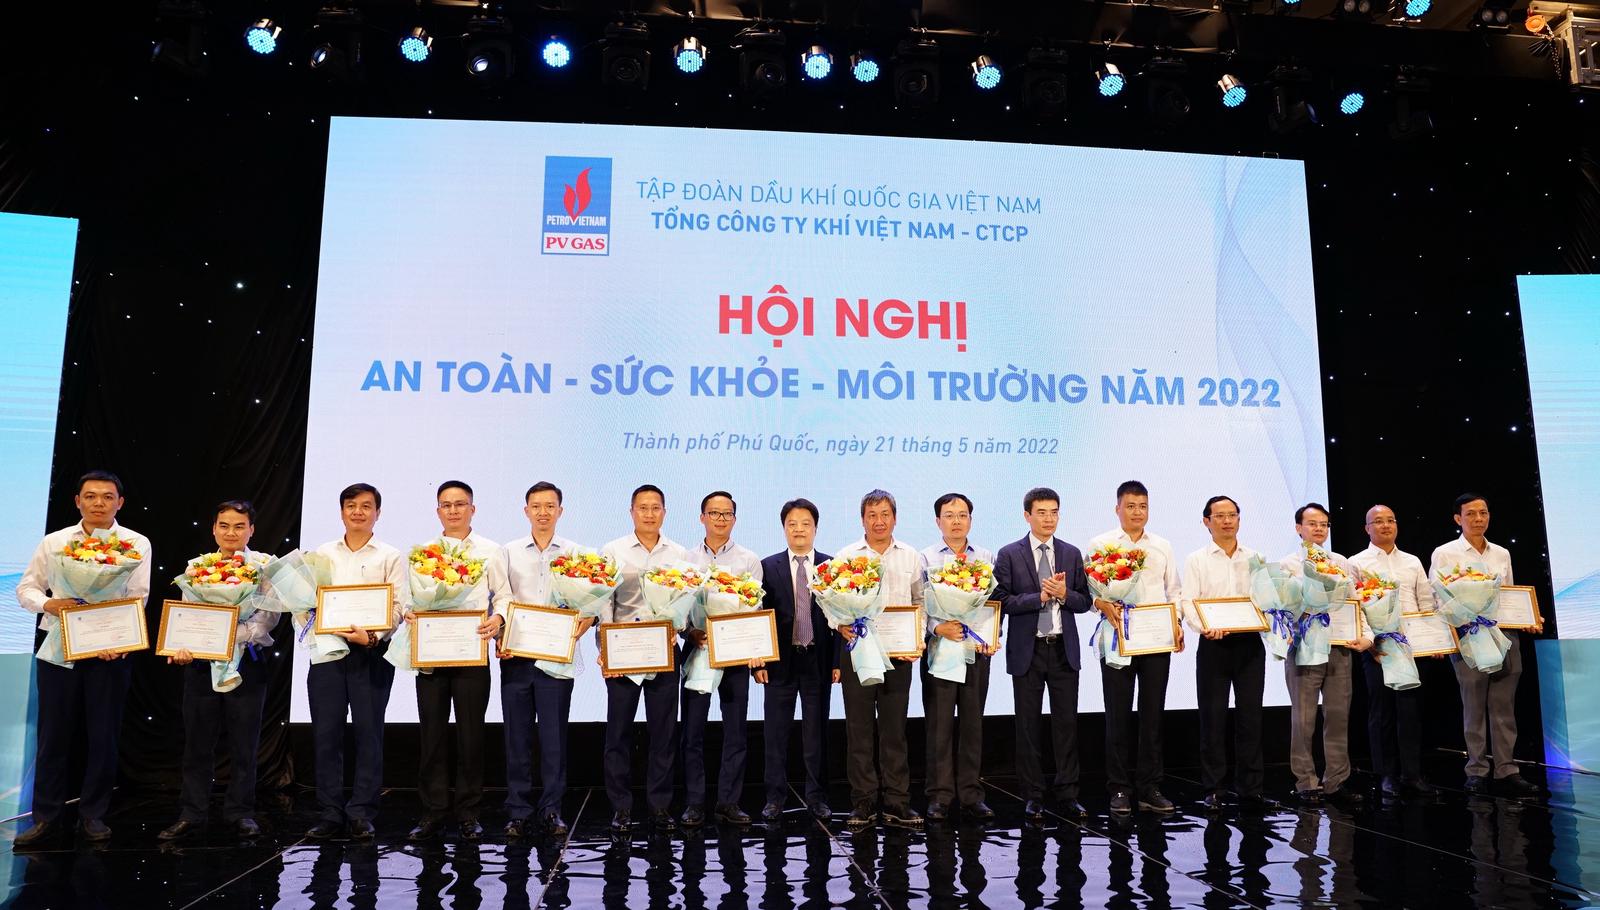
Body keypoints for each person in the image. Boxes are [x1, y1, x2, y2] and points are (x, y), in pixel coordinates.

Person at [14, 471, 153, 847]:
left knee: (104, 735)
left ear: (119, 503)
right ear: (77, 501)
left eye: (107, 497)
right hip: (58, 647)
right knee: (53, 735)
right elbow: (26, 587)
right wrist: (50, 604)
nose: (98, 503)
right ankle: (46, 818)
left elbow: (138, 596)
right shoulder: (56, 542)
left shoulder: (136, 543)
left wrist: (118, 638)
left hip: (110, 649)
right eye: (90, 496)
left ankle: (93, 814)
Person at [158, 500, 277, 841]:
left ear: (251, 530)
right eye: (224, 525)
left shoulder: (265, 566)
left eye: (239, 526)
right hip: (201, 664)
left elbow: (267, 620)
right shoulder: (197, 567)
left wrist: (226, 635)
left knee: (244, 743)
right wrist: (183, 645)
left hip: (248, 661)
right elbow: (187, 616)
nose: (231, 532)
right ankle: (192, 813)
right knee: (197, 743)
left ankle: (241, 812)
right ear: (213, 529)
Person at [406, 481, 509, 842]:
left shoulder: (491, 551)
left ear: (472, 509)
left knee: (471, 735)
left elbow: (504, 595)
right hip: (432, 652)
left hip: (471, 652)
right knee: (431, 734)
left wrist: (498, 619)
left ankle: (468, 812)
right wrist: (409, 613)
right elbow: (408, 599)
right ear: (438, 511)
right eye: (446, 505)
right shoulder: (423, 553)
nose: (453, 510)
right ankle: (433, 811)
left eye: (460, 504)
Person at [305, 482, 408, 840]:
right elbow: (307, 601)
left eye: (366, 506)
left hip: (371, 653)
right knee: (326, 734)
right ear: (341, 512)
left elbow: (399, 607)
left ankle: (362, 811)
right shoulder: (322, 554)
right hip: (328, 653)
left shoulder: (390, 555)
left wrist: (374, 636)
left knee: (369, 733)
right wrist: (312, 620)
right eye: (351, 505)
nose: (358, 512)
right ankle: (329, 812)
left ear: (377, 513)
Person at [1430, 493, 1542, 797]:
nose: (1478, 519)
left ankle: (1507, 769)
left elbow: (1510, 595)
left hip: (1504, 636)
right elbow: (1438, 598)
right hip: (1469, 637)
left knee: (1504, 707)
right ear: (1458, 519)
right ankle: (1477, 770)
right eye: (1471, 514)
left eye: (1483, 512)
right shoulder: (1445, 553)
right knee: (1474, 707)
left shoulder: (1501, 553)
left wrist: (1528, 617)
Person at [1086, 480, 1182, 815]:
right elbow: (1089, 594)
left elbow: (1174, 591)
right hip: (1117, 640)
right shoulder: (1101, 545)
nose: (1137, 512)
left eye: (1142, 506)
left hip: (1156, 640)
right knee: (1118, 716)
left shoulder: (1162, 546)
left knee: (1153, 715)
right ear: (1118, 509)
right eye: (1130, 506)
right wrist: (1102, 604)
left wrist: (1176, 623)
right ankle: (1119, 788)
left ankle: (1149, 787)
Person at [994, 486, 1091, 822]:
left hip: (1063, 650)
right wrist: (1039, 597)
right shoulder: (1009, 554)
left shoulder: (1071, 553)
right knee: (1028, 726)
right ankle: (1033, 796)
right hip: (1028, 650)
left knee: (1067, 726)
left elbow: (1085, 601)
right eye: (1041, 513)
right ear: (1027, 516)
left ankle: (1069, 794)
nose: (1049, 519)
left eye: (1054, 512)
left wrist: (1063, 594)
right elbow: (1001, 601)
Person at [500, 481, 589, 839]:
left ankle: (552, 810)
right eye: (536, 506)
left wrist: (588, 618)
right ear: (526, 511)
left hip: (556, 658)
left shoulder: (576, 553)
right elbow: (501, 598)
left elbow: (591, 600)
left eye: (550, 506)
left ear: (560, 511)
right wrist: (503, 630)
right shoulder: (508, 552)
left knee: (554, 739)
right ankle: (518, 811)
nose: (543, 512)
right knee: (516, 737)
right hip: (517, 656)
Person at [600, 484, 688, 832]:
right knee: (618, 733)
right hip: (623, 651)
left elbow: (685, 600)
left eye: (655, 508)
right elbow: (604, 601)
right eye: (643, 508)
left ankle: (660, 807)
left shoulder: (678, 553)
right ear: (631, 511)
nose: (649, 514)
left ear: (664, 512)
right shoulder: (613, 550)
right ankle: (621, 808)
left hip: (664, 651)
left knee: (663, 733)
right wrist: (605, 647)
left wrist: (678, 626)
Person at [835, 489, 924, 830]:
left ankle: (898, 802)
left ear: (895, 518)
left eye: (885, 514)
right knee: (858, 731)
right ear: (862, 520)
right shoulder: (847, 556)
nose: (879, 521)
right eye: (872, 515)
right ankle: (863, 803)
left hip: (898, 654)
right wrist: (838, 624)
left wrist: (917, 636)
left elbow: (920, 601)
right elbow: (831, 603)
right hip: (859, 653)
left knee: (894, 731)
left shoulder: (911, 556)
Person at [681, 491, 764, 827]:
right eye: (714, 513)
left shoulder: (749, 560)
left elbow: (755, 610)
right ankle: (694, 803)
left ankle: (729, 801)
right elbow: (676, 606)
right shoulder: (685, 558)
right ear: (702, 517)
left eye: (726, 513)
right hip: (697, 649)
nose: (720, 519)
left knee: (736, 731)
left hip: (734, 654)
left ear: (735, 519)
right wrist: (690, 632)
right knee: (692, 732)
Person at [1279, 503, 1370, 806]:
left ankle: (1336, 781)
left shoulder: (1341, 562)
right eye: (1312, 523)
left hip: (1339, 647)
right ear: (1299, 528)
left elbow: (1355, 603)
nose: (1319, 529)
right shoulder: (1288, 564)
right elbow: (1282, 607)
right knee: (1303, 719)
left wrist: (1367, 636)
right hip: (1304, 648)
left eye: (1324, 524)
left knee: (1338, 716)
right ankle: (1306, 782)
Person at [1180, 495, 1265, 812]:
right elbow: (1188, 601)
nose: (1227, 521)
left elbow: (1266, 599)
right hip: (1213, 644)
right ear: (1207, 522)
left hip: (1249, 644)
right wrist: (1204, 626)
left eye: (1232, 515)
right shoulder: (1197, 559)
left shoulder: (1256, 558)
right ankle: (1214, 788)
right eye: (1220, 516)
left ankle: (1251, 789)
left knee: (1250, 718)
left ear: (1239, 519)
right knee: (1212, 718)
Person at [756, 499, 838, 823]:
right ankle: (774, 798)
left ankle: (816, 798)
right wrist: (760, 662)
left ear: (815, 528)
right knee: (775, 734)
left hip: (817, 660)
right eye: (792, 523)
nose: (799, 529)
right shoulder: (768, 566)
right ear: (784, 528)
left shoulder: (831, 567)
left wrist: (837, 662)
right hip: (780, 662)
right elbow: (759, 617)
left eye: (806, 523)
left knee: (816, 734)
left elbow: (839, 618)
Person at [919, 492, 998, 823]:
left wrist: (992, 635)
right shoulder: (925, 558)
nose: (956, 521)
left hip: (975, 651)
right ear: (938, 521)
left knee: (972, 724)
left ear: (970, 520)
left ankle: (970, 794)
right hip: (940, 650)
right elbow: (919, 604)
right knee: (939, 726)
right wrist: (938, 628)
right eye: (949, 515)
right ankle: (939, 796)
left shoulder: (986, 556)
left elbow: (992, 604)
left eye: (962, 515)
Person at [1349, 504, 1437, 799]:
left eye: (1390, 520)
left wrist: (1434, 639)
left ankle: (1412, 773)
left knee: (1410, 711)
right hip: (1378, 648)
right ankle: (1386, 774)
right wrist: (1370, 640)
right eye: (1378, 521)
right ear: (1367, 529)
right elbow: (1356, 607)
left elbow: (1426, 602)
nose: (1385, 525)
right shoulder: (1356, 562)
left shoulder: (1412, 561)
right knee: (1382, 712)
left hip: (1413, 646)